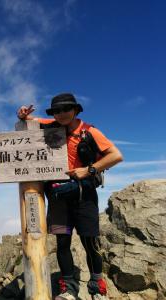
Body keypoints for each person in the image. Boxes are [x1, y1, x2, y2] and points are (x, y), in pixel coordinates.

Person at [17, 93, 123, 300]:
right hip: (58, 196)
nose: (62, 114)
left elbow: (116, 155)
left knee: (89, 242)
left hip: (85, 194)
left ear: (76, 110)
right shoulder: (52, 125)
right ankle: (68, 288)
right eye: (57, 110)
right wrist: (22, 115)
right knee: (63, 243)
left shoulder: (89, 131)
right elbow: (30, 120)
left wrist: (89, 170)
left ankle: (96, 285)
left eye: (66, 109)